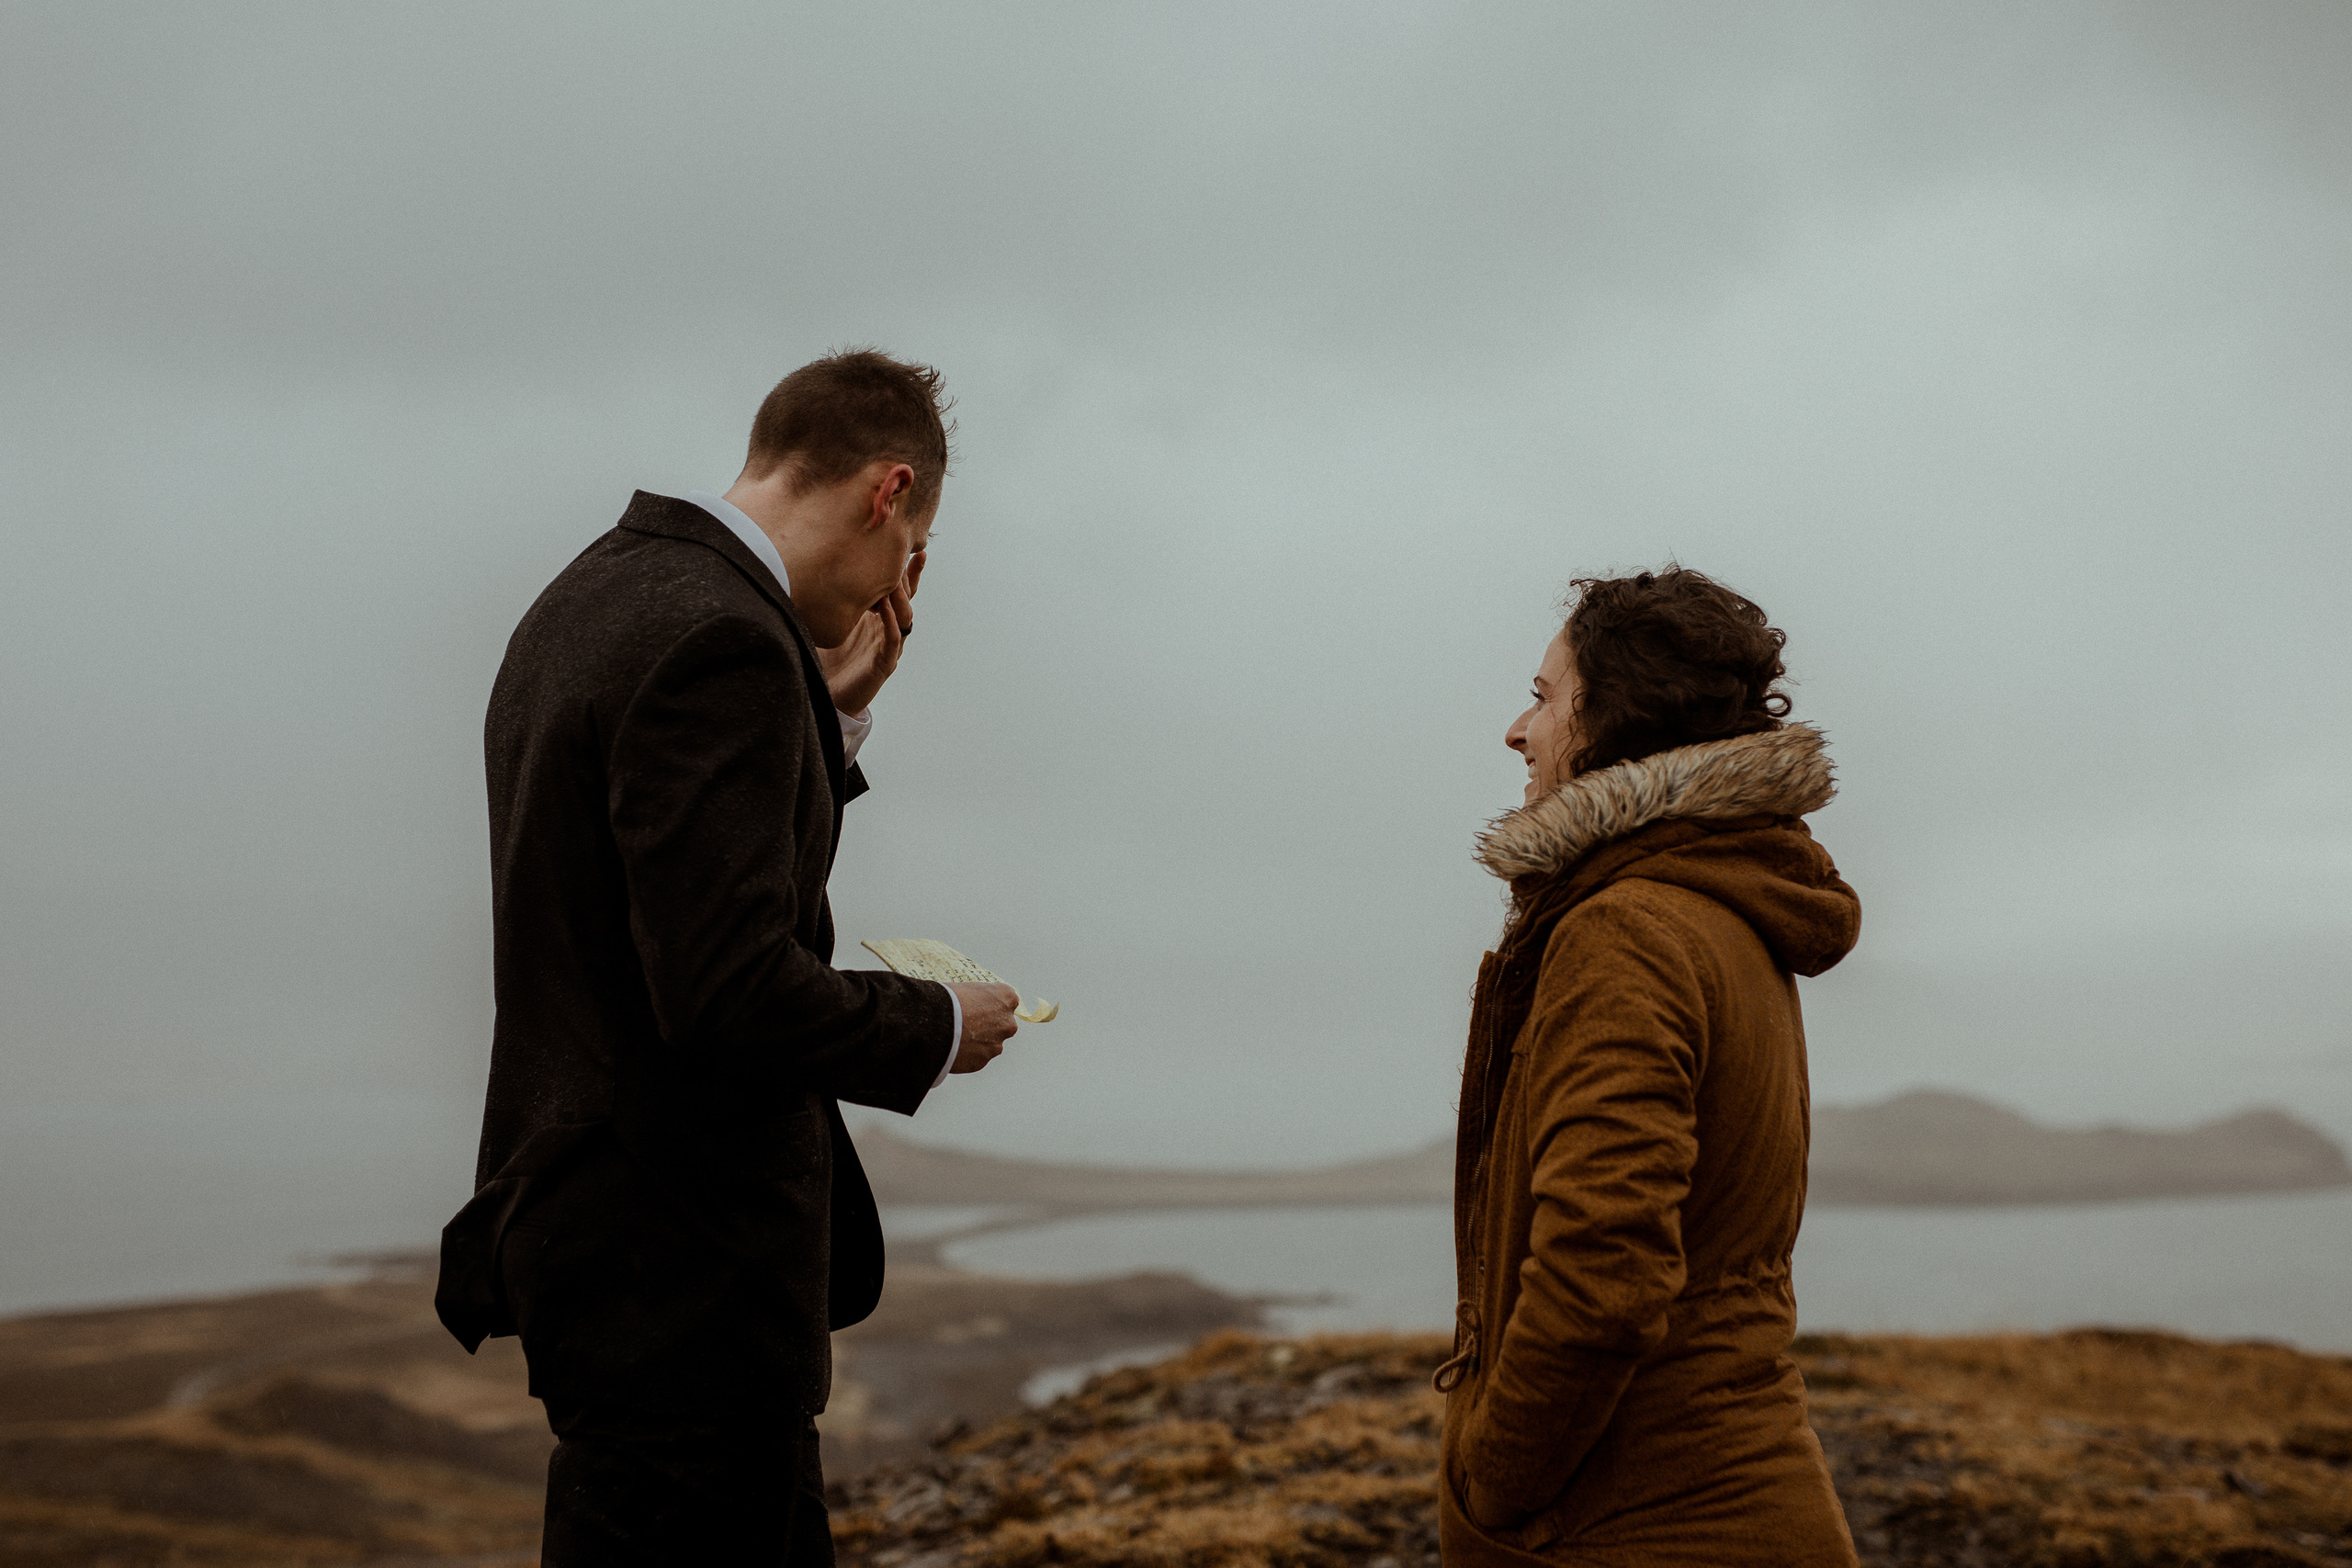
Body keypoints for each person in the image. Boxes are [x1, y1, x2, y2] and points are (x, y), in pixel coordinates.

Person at [434, 350, 1023, 1565]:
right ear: (888, 491)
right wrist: (936, 1022)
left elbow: (671, 891)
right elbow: (725, 985)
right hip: (688, 1282)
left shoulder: (591, 595)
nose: (904, 582)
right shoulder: (722, 643)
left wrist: (831, 716)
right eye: (917, 548)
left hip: (595, 1255)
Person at [1436, 567, 1862, 1566]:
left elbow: (1605, 1268)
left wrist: (1493, 1481)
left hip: (1646, 1525)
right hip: (1726, 1492)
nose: (1516, 730)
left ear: (1614, 723)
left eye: (1544, 699)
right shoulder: (1713, 907)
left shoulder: (1625, 929)